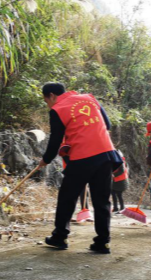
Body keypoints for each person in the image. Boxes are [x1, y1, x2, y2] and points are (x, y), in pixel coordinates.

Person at [38, 82, 122, 254]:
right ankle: (103, 242)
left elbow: (55, 140)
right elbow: (107, 125)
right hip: (105, 154)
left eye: (47, 101)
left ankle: (60, 237)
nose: (48, 104)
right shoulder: (89, 98)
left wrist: (45, 160)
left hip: (83, 157)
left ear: (51, 96)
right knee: (102, 200)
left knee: (67, 198)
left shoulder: (58, 109)